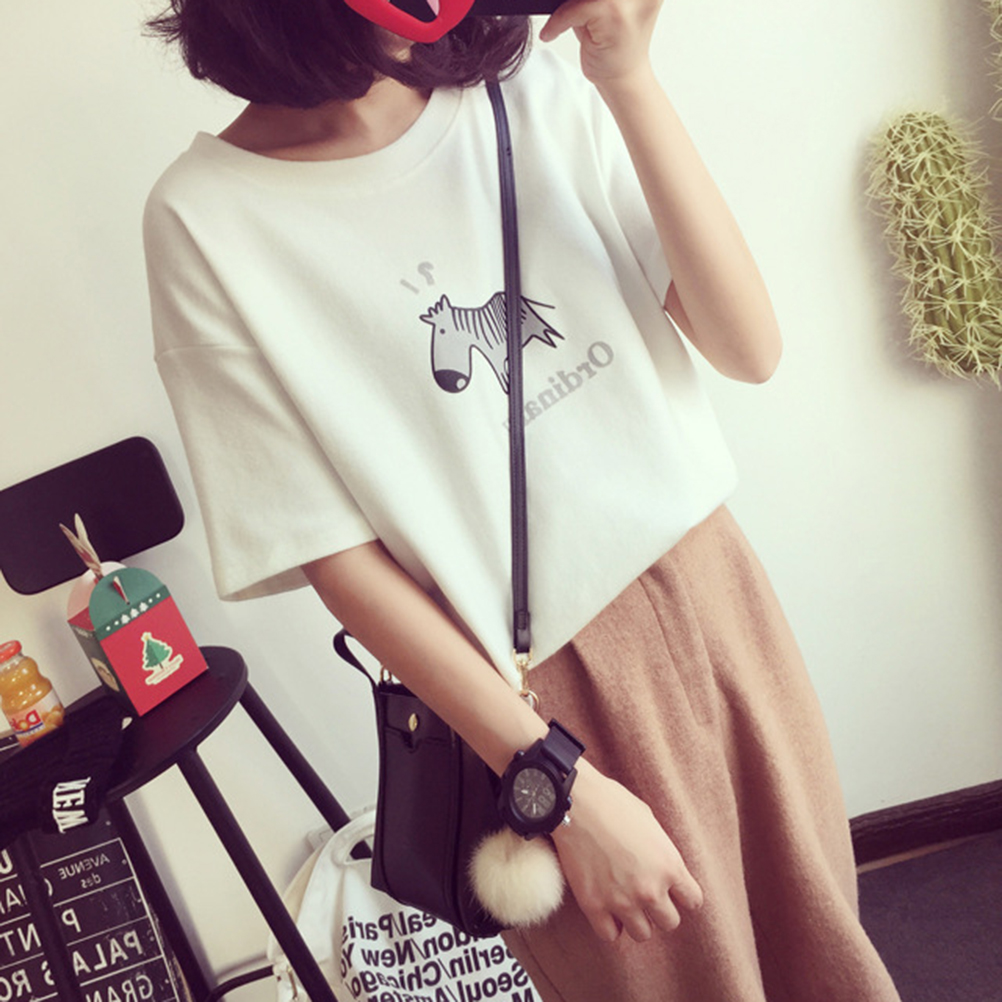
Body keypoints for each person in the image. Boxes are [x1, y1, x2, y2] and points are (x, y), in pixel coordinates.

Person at [143, 0, 902, 998]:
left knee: (826, 955)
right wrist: (557, 782)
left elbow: (747, 347)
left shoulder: (532, 81)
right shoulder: (207, 218)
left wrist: (628, 80)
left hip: (718, 603)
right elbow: (337, 560)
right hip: (533, 698)